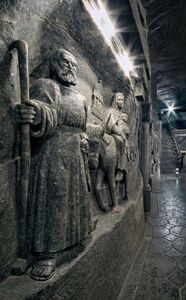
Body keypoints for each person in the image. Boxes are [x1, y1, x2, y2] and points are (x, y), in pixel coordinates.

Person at [16, 49, 94, 281]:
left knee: (77, 197)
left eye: (74, 65)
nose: (70, 68)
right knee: (55, 200)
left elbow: (83, 128)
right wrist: (35, 113)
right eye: (65, 62)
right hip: (52, 154)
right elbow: (45, 111)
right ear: (53, 63)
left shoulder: (80, 98)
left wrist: (84, 139)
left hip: (75, 155)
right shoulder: (47, 86)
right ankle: (47, 253)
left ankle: (80, 235)